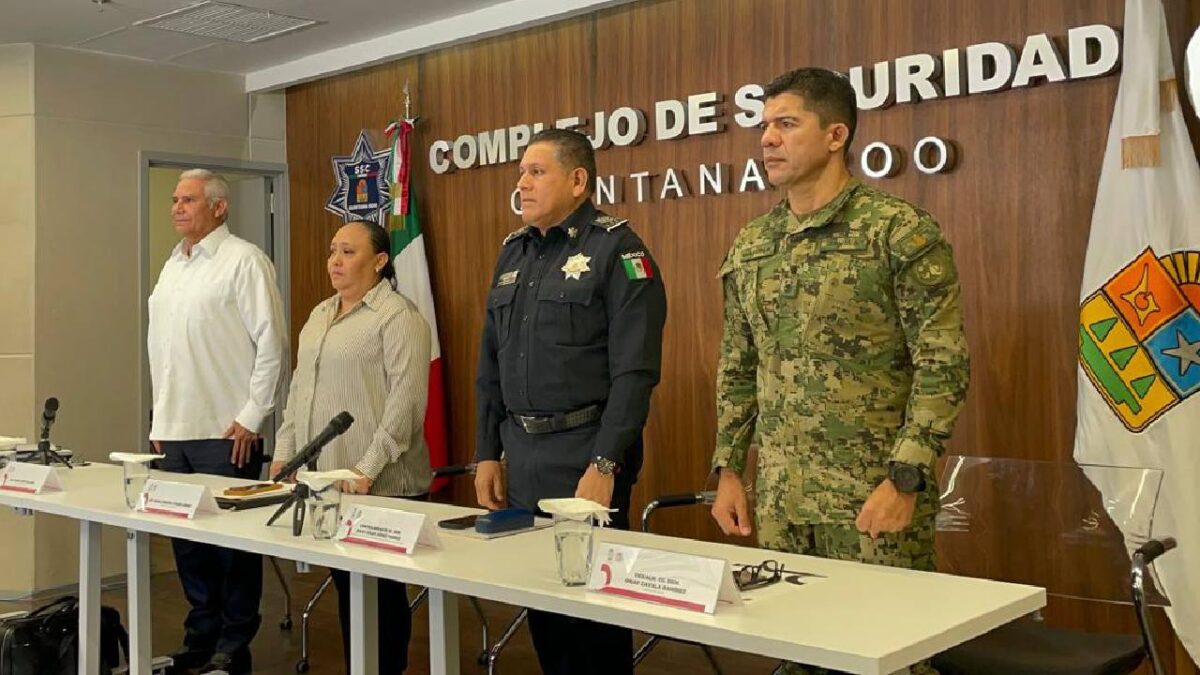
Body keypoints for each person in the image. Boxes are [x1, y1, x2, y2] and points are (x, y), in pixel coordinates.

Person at [709, 68, 970, 675]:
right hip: (782, 502)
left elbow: (942, 359)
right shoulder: (753, 244)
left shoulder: (897, 231)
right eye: (764, 125)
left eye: (786, 124)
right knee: (798, 655)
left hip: (872, 499)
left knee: (890, 656)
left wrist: (906, 478)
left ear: (835, 135)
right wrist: (728, 467)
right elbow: (738, 363)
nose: (767, 139)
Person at [473, 128, 667, 675]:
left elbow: (635, 373)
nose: (523, 182)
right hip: (524, 458)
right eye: (521, 172)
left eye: (537, 171)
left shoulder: (619, 250)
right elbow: (490, 365)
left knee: (593, 624)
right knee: (546, 616)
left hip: (586, 458)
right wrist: (487, 451)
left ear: (578, 180)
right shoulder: (514, 252)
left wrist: (605, 464)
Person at [270, 220, 432, 674]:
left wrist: (367, 467)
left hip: (382, 486)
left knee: (379, 596)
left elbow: (406, 404)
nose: (335, 261)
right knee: (348, 588)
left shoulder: (399, 318)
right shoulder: (321, 314)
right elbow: (300, 392)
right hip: (327, 485)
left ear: (379, 262)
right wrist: (285, 452)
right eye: (332, 251)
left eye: (348, 252)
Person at [148, 168, 287, 675]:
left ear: (219, 208)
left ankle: (234, 643)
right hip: (175, 429)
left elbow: (272, 343)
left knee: (231, 549)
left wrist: (253, 416)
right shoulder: (172, 267)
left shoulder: (243, 260)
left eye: (189, 200)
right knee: (188, 545)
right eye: (174, 200)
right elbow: (161, 349)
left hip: (227, 431)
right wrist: (159, 416)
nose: (177, 208)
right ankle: (200, 638)